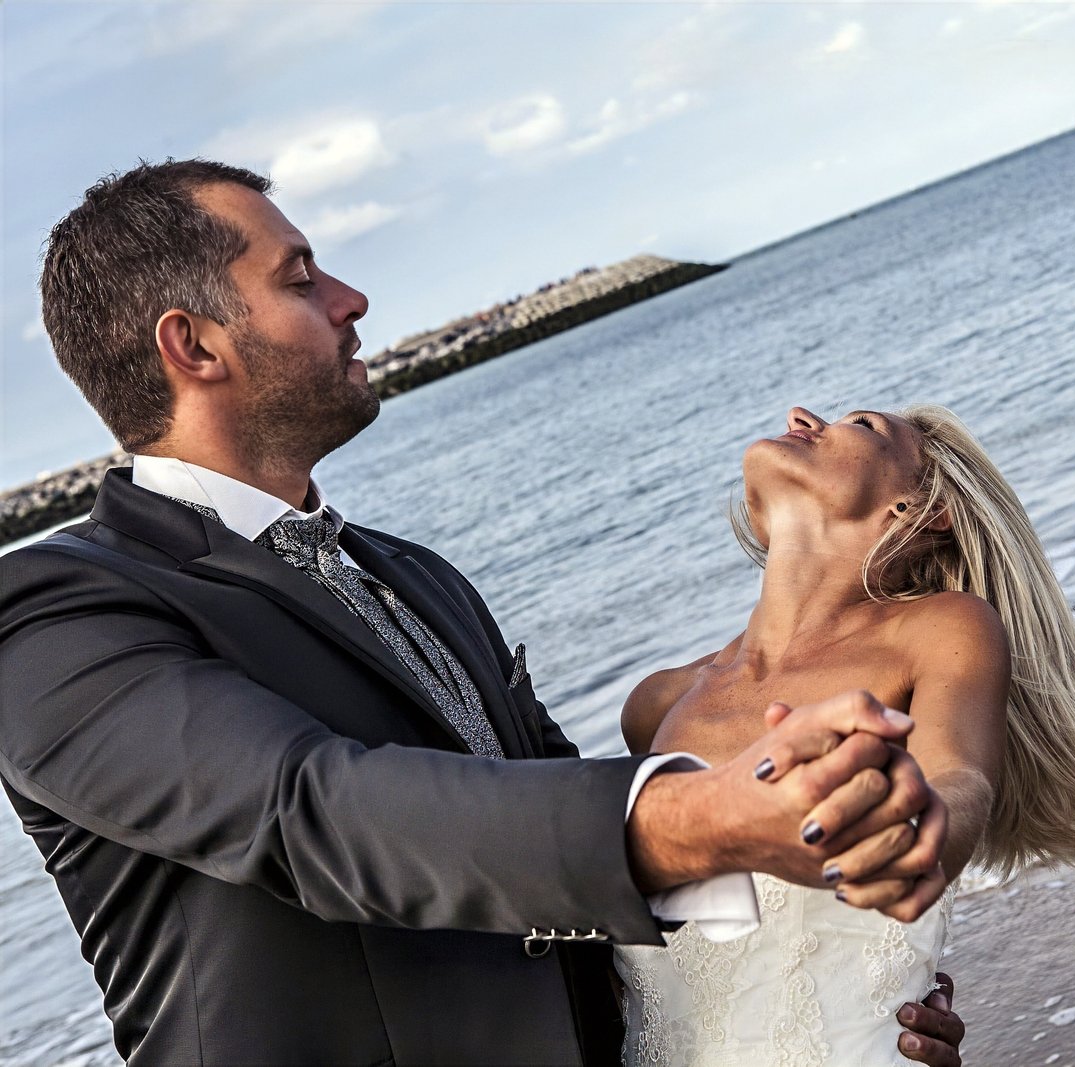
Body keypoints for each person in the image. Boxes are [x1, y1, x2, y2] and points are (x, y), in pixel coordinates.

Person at [0, 159, 968, 1066]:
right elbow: (311, 808)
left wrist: (847, 992)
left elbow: (544, 815)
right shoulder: (56, 612)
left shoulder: (416, 574)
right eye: (300, 280)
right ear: (194, 344)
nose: (352, 300)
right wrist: (703, 816)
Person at [615, 404, 1075, 1065]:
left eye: (863, 423)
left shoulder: (942, 631)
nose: (802, 413)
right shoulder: (656, 705)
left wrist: (916, 832)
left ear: (922, 507)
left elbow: (958, 779)